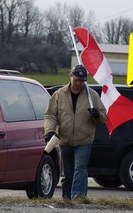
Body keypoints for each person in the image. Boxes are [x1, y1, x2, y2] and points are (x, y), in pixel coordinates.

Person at [44, 64, 107, 200]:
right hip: (64, 139)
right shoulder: (59, 95)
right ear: (70, 77)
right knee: (67, 173)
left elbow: (103, 116)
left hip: (84, 139)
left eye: (81, 81)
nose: (78, 83)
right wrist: (49, 131)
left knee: (80, 167)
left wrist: (97, 116)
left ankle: (78, 197)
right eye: (76, 79)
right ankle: (67, 198)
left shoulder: (92, 96)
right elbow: (50, 115)